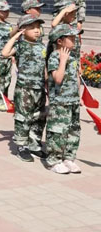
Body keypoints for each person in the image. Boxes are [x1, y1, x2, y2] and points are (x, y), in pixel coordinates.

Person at [1, 14, 47, 162]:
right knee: (23, 118)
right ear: (23, 30)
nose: (37, 30)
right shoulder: (20, 46)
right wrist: (16, 36)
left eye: (38, 27)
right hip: (24, 89)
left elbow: (45, 67)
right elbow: (4, 53)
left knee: (39, 117)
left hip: (39, 88)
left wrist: (47, 83)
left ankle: (34, 144)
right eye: (32, 28)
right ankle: (22, 146)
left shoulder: (42, 46)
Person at [45, 24, 83, 174]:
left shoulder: (72, 56)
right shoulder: (55, 57)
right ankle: (54, 160)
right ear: (60, 41)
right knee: (58, 131)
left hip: (73, 101)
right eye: (71, 38)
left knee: (73, 130)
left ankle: (68, 157)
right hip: (60, 102)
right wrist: (63, 60)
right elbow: (58, 79)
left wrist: (78, 96)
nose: (74, 40)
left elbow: (76, 78)